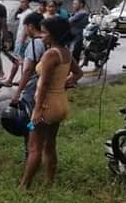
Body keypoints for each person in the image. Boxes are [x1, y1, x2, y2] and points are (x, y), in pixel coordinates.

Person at [20, 17, 81, 189]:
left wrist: (37, 110)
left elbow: (44, 84)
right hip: (60, 103)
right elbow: (78, 73)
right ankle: (49, 181)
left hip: (46, 106)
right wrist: (65, 83)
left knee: (34, 147)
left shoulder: (50, 54)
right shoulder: (65, 52)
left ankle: (24, 185)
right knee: (50, 144)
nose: (41, 35)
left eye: (44, 32)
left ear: (53, 34)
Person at [11, 12, 47, 159]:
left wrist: (17, 92)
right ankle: (36, 150)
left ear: (30, 26)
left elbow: (27, 71)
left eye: (25, 26)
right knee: (40, 122)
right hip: (43, 88)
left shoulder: (34, 44)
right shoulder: (47, 41)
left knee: (30, 122)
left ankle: (31, 153)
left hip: (32, 90)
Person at [5, 0, 35, 88]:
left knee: (17, 61)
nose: (21, 4)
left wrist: (21, 40)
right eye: (20, 2)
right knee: (21, 61)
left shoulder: (28, 13)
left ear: (28, 3)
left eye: (23, 2)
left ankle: (11, 80)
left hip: (23, 41)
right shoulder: (24, 13)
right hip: (20, 40)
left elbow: (26, 28)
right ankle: (21, 80)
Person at [69, 0, 90, 65]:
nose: (73, 5)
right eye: (73, 4)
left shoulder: (81, 13)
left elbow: (70, 21)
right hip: (74, 35)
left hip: (77, 36)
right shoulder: (76, 13)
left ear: (81, 5)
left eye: (75, 4)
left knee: (74, 54)